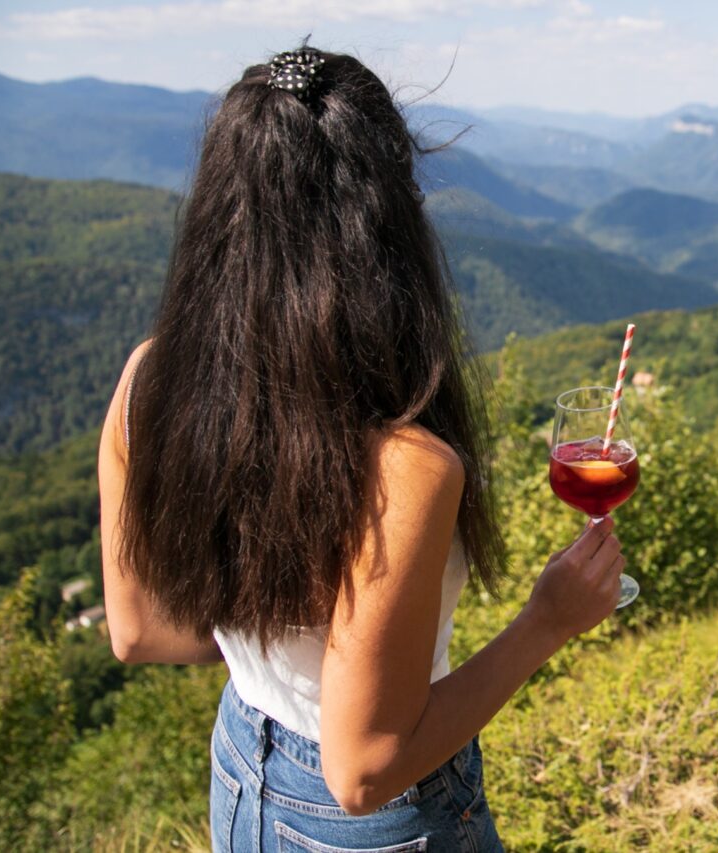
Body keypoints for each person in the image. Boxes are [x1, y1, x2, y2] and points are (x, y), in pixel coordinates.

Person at [98, 42, 626, 852]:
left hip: (240, 770)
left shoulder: (150, 378)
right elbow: (362, 771)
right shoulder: (405, 467)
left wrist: (270, 645)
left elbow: (136, 631)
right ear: (386, 218)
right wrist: (545, 621)